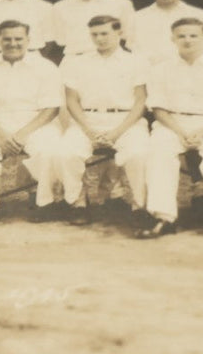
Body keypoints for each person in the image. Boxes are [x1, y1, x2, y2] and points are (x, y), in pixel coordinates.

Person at [140, 18, 203, 242]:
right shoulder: (160, 69)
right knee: (159, 153)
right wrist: (180, 132)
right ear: (173, 39)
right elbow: (158, 108)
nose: (187, 40)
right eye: (181, 36)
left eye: (193, 35)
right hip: (172, 124)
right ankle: (164, 217)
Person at [56, 15, 150, 226]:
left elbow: (141, 101)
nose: (100, 39)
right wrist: (88, 131)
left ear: (119, 33)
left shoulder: (136, 61)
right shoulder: (78, 62)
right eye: (95, 34)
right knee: (66, 152)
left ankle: (138, 207)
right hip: (87, 121)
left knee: (138, 154)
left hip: (126, 121)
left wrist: (116, 132)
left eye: (105, 33)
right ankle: (78, 203)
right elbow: (71, 100)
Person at [0, 20, 64, 223]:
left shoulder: (45, 67)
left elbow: (51, 108)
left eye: (18, 39)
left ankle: (43, 202)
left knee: (49, 149)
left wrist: (23, 134)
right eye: (7, 39)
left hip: (36, 121)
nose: (13, 43)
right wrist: (0, 134)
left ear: (29, 40)